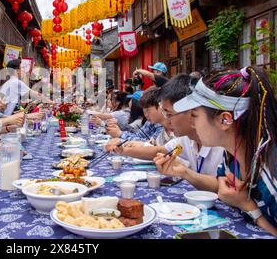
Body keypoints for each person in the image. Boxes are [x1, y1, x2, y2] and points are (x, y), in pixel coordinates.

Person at [172, 67, 277, 236]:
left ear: (225, 119)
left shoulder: (271, 174)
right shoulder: (231, 155)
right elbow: (220, 182)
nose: (191, 123)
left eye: (195, 115)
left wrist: (249, 207)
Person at [108, 75, 224, 185]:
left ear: (191, 112)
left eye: (168, 113)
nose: (167, 119)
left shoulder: (222, 145)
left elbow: (228, 188)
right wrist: (122, 150)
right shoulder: (186, 139)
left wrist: (185, 173)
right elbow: (159, 150)